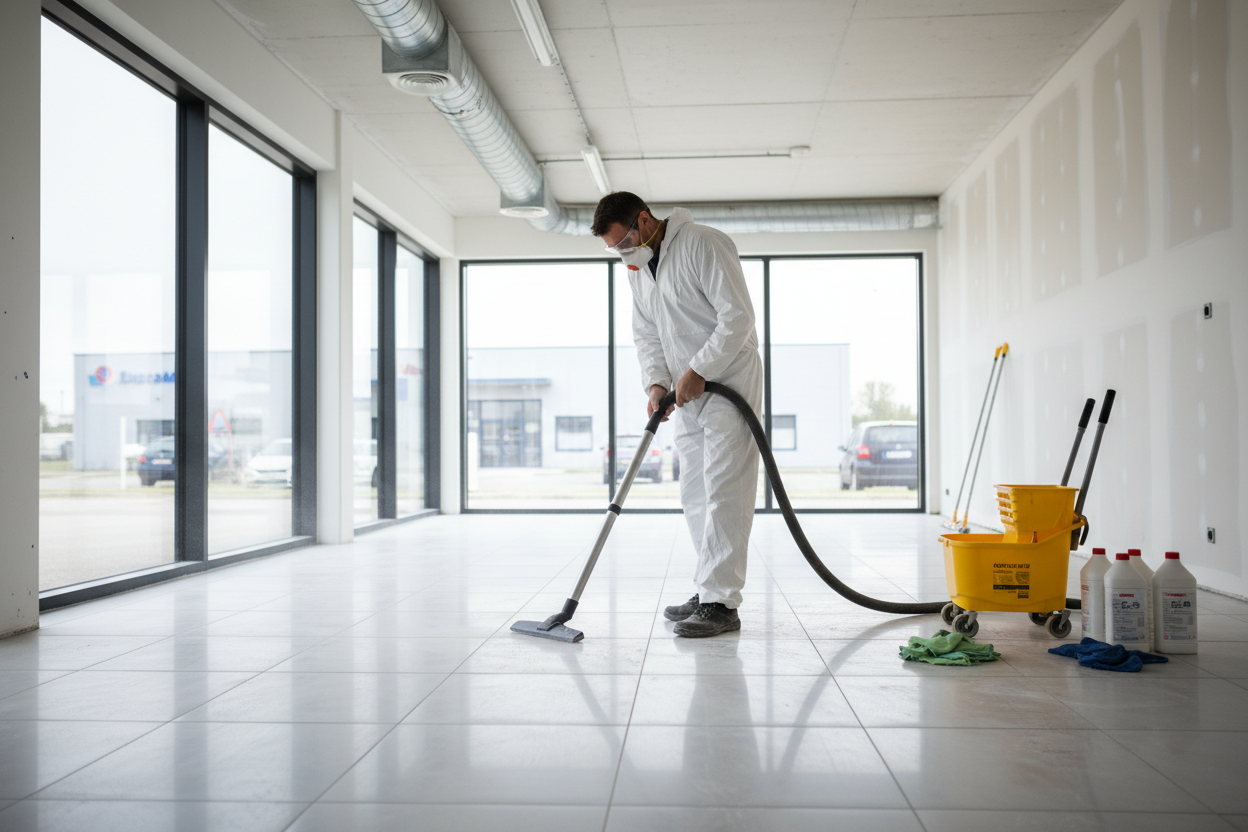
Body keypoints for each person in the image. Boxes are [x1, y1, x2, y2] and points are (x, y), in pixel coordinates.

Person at [592, 192, 763, 638]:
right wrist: (656, 383)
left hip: (728, 382)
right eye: (614, 249)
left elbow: (737, 317)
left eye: (624, 242)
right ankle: (708, 586)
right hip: (686, 394)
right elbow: (646, 333)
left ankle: (721, 602)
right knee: (695, 493)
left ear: (644, 221)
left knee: (725, 490)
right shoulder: (638, 270)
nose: (622, 252)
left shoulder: (704, 243)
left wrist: (699, 370)